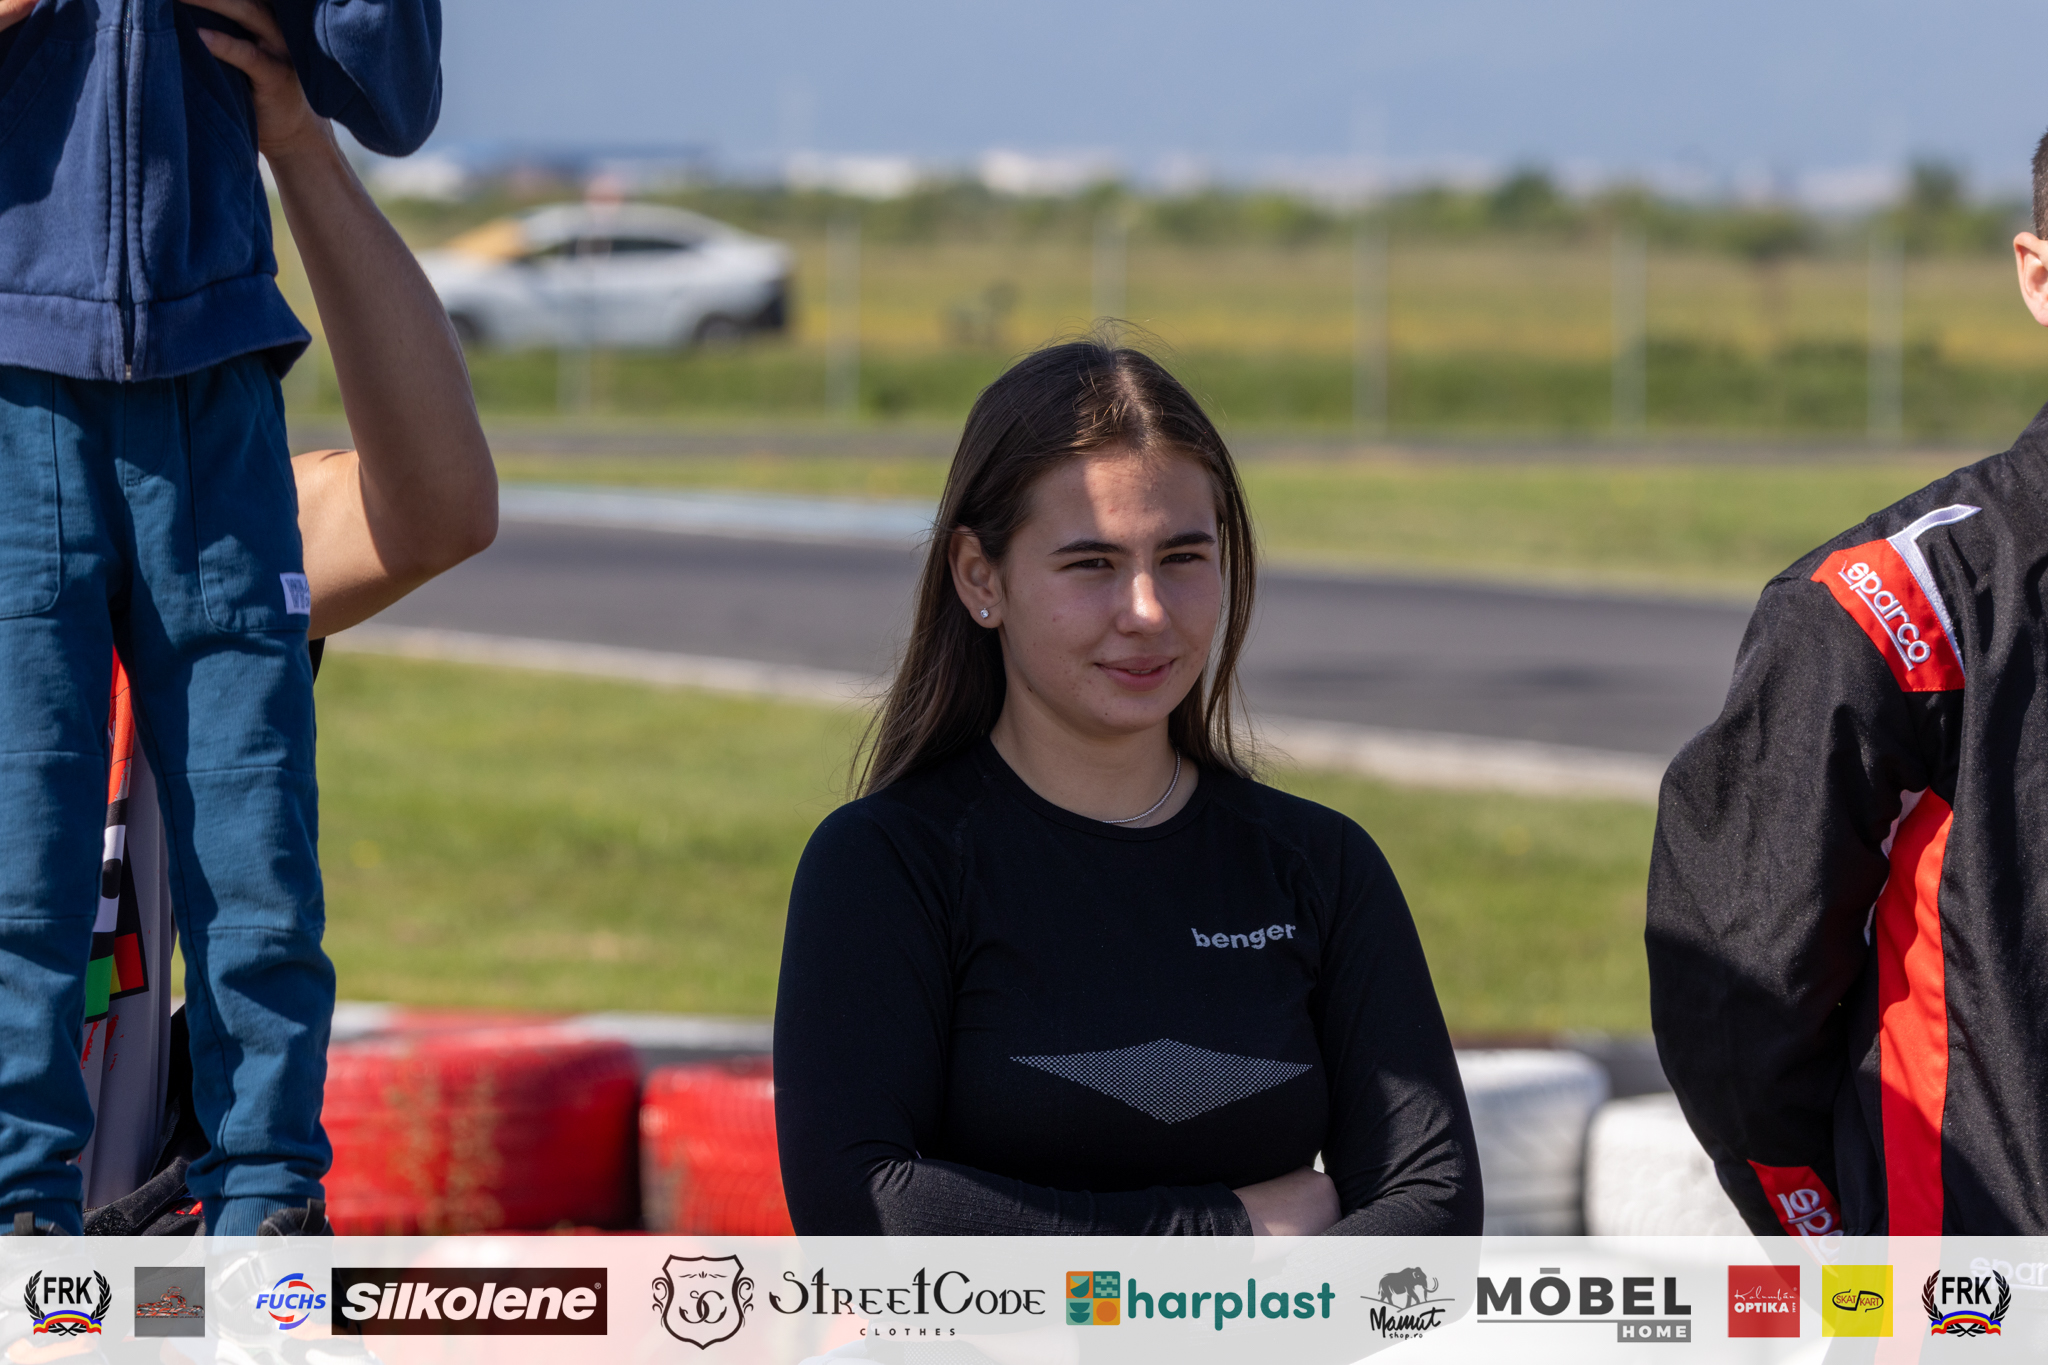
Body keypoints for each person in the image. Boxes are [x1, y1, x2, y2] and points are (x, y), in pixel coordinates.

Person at [773, 341, 1480, 1235]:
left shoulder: (1321, 866)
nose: (1147, 611)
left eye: (1182, 556)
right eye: (1093, 563)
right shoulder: (887, 864)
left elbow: (1434, 1213)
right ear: (980, 576)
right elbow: (866, 1211)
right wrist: (1228, 1235)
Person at [0, 0, 461, 1235]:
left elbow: (393, 92)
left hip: (216, 366)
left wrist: (298, 139)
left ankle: (263, 1219)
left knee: (260, 871)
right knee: (24, 866)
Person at [1647, 132, 2048, 1238]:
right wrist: (1844, 1256)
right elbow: (1739, 988)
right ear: (2038, 277)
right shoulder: (1894, 607)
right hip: (1977, 1295)